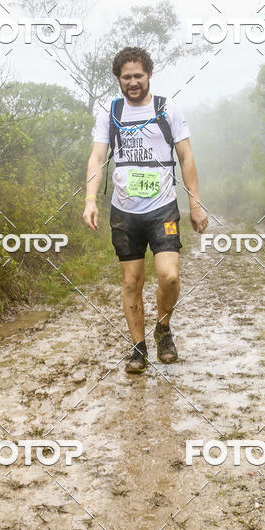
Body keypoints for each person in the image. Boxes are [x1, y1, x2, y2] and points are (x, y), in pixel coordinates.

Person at [82, 46, 208, 374]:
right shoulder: (110, 113)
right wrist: (90, 199)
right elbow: (97, 158)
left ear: (149, 74)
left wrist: (195, 204)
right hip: (124, 213)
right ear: (118, 80)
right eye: (127, 77)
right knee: (131, 281)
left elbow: (187, 157)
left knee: (169, 276)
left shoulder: (168, 110)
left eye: (138, 75)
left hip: (162, 208)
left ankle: (163, 329)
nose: (133, 82)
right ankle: (138, 347)